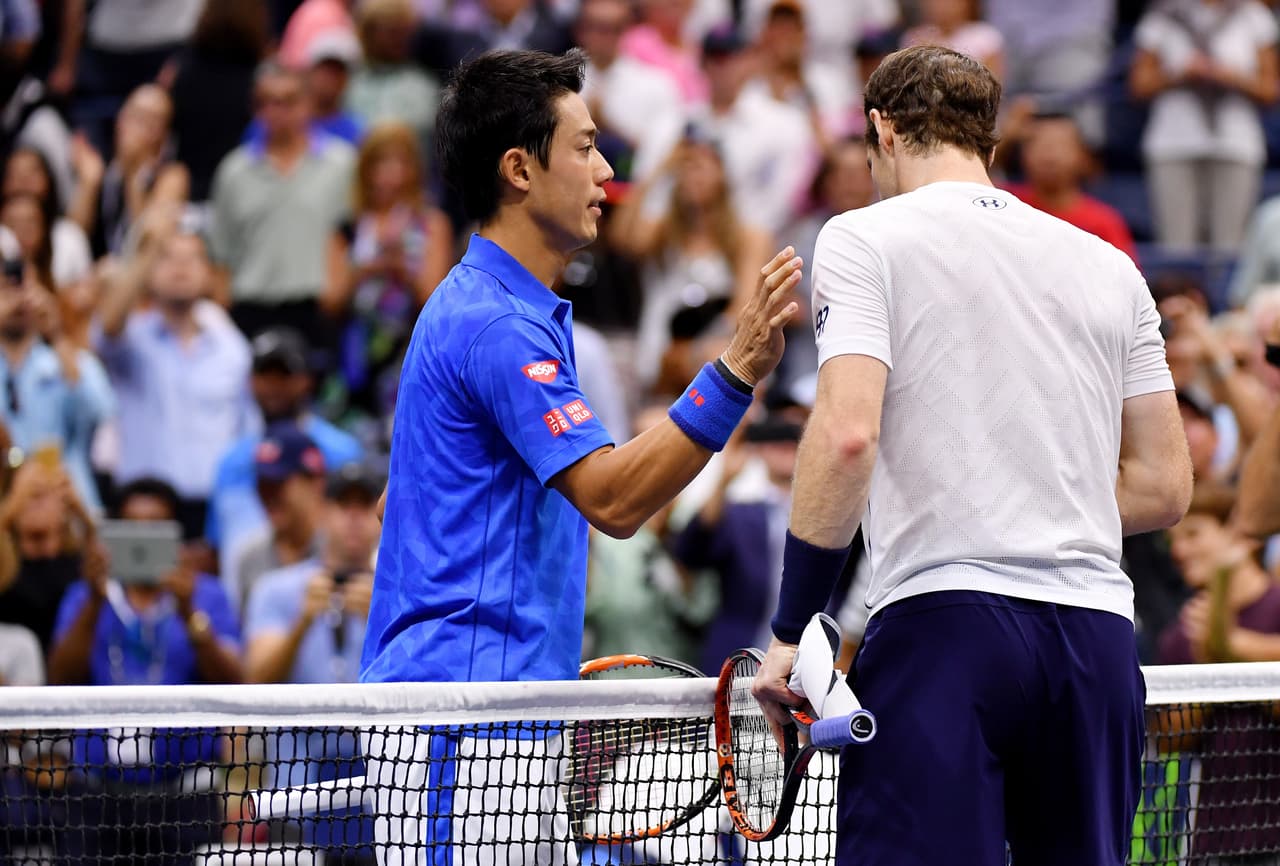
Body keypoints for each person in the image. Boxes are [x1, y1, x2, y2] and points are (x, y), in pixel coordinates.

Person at [752, 46, 1192, 866]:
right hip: (1097, 645)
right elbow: (1166, 489)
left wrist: (792, 627)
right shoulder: (1111, 265)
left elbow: (848, 437)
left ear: (880, 130)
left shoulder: (860, 238)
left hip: (948, 632)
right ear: (989, 140)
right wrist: (1032, 491)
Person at [360, 47, 798, 862]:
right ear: (520, 170)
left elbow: (406, 501)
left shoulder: (496, 312)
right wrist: (734, 373)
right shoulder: (496, 325)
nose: (606, 169)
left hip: (503, 717)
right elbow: (615, 501)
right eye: (586, 146)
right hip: (461, 724)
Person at [243, 460, 383, 864]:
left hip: (380, 794)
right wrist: (303, 620)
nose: (354, 519)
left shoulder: (398, 591)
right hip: (295, 795)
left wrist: (379, 618)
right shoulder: (277, 589)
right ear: (324, 512)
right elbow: (255, 681)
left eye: (364, 507)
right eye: (343, 506)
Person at [94, 205, 254, 538]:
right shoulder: (131, 339)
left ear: (210, 274)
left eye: (193, 257)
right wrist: (148, 249)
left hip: (212, 508)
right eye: (167, 257)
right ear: (149, 272)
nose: (180, 266)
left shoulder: (231, 348)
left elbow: (246, 432)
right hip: (143, 508)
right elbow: (106, 327)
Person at [320, 121, 453, 442]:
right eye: (381, 161)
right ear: (366, 169)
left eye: (399, 161)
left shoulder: (431, 224)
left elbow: (434, 299)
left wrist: (400, 268)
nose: (390, 172)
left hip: (409, 353)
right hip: (355, 355)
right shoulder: (348, 228)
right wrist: (366, 270)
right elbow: (330, 301)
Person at [610, 133, 773, 388]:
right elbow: (622, 238)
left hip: (717, 347)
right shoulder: (666, 230)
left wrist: (694, 351)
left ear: (722, 175)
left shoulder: (747, 237)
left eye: (700, 167)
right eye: (684, 168)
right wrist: (658, 172)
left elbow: (745, 306)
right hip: (661, 345)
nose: (691, 176)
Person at [208, 60, 354, 342]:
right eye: (267, 103)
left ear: (307, 104)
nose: (277, 112)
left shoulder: (342, 164)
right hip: (250, 309)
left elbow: (352, 239)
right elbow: (220, 252)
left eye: (288, 101)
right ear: (256, 109)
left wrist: (338, 293)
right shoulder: (234, 170)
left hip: (315, 310)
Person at [204, 327, 362, 576]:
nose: (273, 386)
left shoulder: (341, 450)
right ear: (250, 382)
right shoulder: (232, 460)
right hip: (247, 583)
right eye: (264, 376)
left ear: (305, 380)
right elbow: (215, 548)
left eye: (283, 376)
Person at [1129, 0, 1279, 252]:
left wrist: (1233, 77)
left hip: (1236, 144)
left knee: (1230, 246)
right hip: (1173, 143)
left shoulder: (1254, 16)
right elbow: (1139, 85)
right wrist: (1179, 74)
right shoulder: (1163, 14)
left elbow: (1269, 90)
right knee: (1176, 246)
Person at [0, 257, 113, 511]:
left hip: (66, 504)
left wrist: (57, 333)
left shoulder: (66, 360)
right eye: (6, 287)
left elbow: (100, 411)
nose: (17, 298)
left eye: (25, 286)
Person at [67, 83, 190, 259]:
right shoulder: (99, 165)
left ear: (165, 134)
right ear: (120, 118)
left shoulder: (172, 175)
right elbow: (71, 241)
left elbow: (149, 247)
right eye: (136, 115)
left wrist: (134, 177)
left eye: (153, 120)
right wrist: (89, 183)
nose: (141, 126)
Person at [1002, 111, 1138, 262]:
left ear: (1083, 155)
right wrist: (1005, 140)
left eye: (1061, 145)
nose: (1049, 155)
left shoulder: (1104, 222)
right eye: (1038, 144)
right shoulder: (1006, 205)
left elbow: (1124, 280)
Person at [226, 422, 328, 612]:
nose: (268, 495)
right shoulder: (250, 557)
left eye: (278, 484)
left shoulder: (340, 548)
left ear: (315, 482)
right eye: (262, 484)